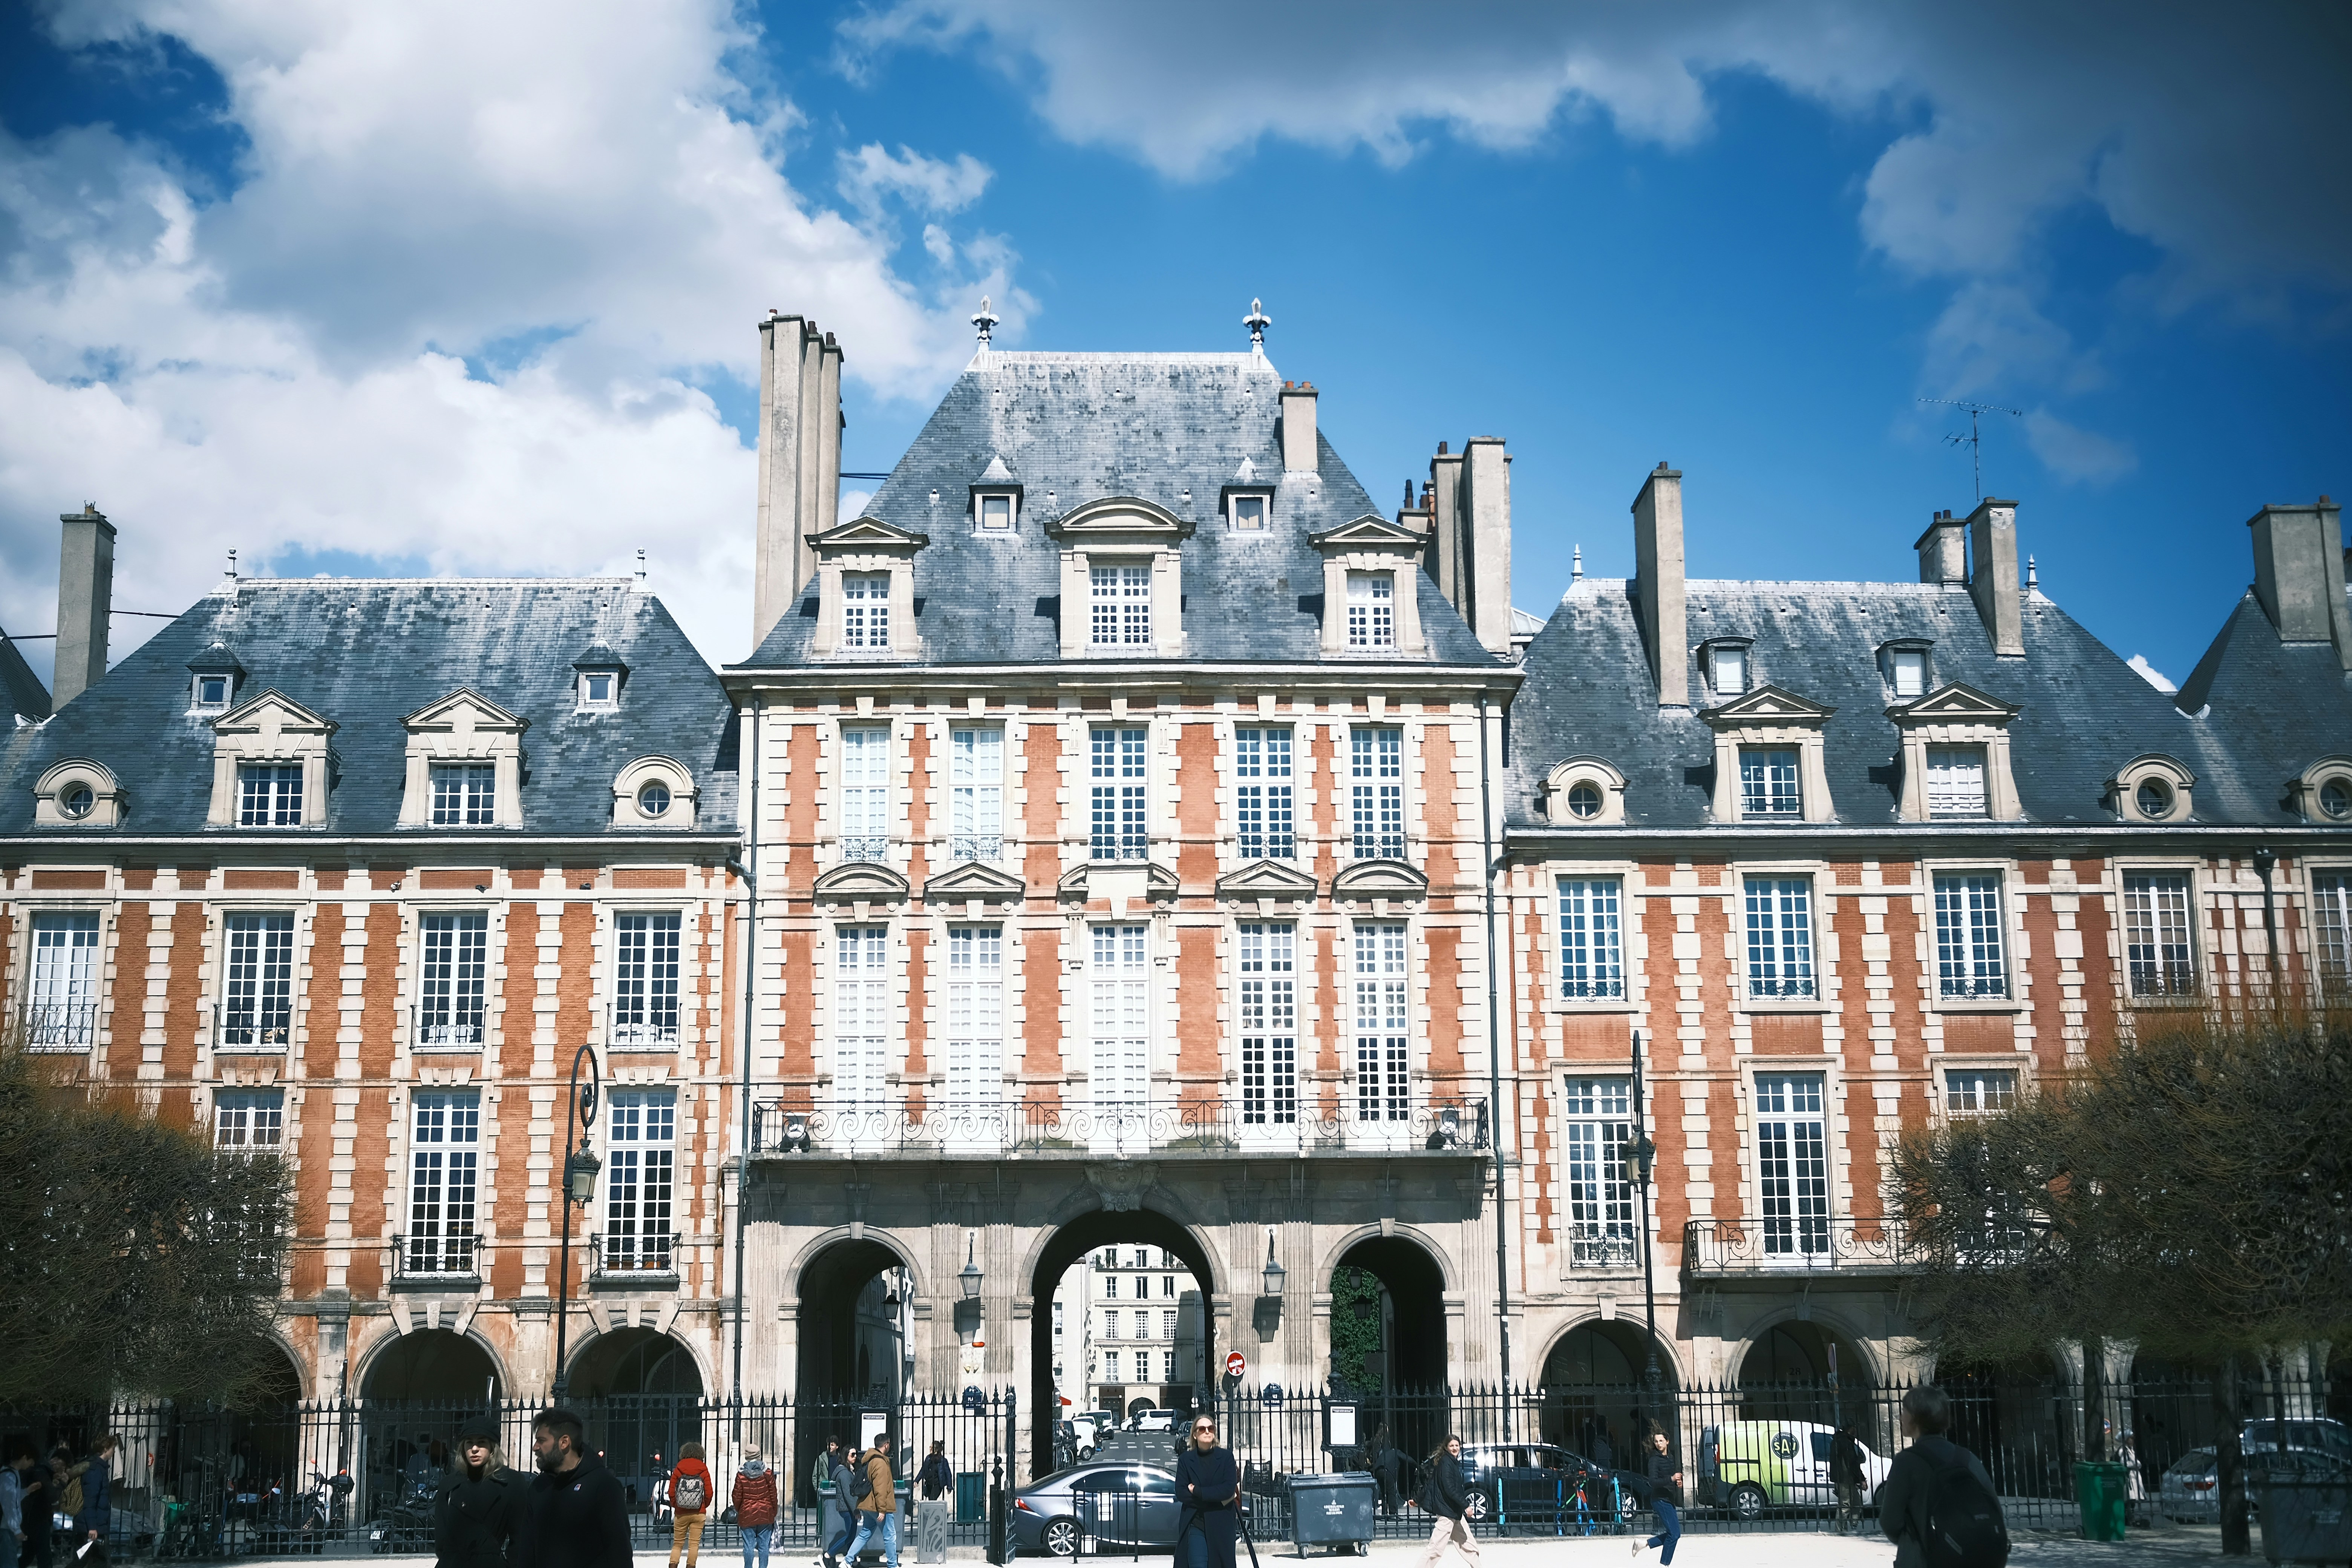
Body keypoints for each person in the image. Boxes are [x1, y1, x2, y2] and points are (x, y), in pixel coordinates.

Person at [1880, 1385, 2006, 1568]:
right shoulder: (1967, 1458)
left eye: (1904, 1411)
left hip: (1928, 1559)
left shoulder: (1906, 1461)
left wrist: (1914, 1541)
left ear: (1916, 1417)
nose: (1900, 1417)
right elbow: (1994, 1507)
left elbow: (1890, 1522)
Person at [516, 1409, 629, 1568]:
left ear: (564, 1442)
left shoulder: (604, 1486)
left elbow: (619, 1551)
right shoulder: (538, 1487)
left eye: (541, 1441)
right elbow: (527, 1549)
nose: (535, 1447)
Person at [435, 1415, 518, 1568]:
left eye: (481, 1443)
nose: (474, 1449)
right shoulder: (449, 1485)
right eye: (469, 1443)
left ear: (493, 1448)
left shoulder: (512, 1483)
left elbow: (520, 1539)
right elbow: (441, 1541)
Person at [1172, 1416, 1238, 1568]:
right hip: (1196, 1524)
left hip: (1221, 1524)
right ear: (1195, 1434)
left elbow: (1228, 1489)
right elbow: (1181, 1492)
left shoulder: (1226, 1457)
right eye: (1202, 1429)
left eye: (1211, 1428)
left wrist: (1198, 1491)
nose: (1207, 1432)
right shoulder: (1186, 1460)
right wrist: (1214, 1498)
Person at [1413, 1435, 1478, 1568]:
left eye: (1457, 1445)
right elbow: (1450, 1489)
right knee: (1435, 1549)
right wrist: (1466, 1505)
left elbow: (1430, 1483)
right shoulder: (1446, 1463)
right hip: (1447, 1513)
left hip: (1455, 1513)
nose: (1455, 1448)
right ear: (1447, 1448)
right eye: (1452, 1446)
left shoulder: (1450, 1462)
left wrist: (1417, 1500)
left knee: (1469, 1545)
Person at [842, 1446, 897, 1568]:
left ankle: (847, 1561)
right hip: (878, 1507)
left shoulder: (870, 1460)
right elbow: (881, 1488)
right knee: (890, 1536)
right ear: (886, 1445)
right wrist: (882, 1510)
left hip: (867, 1505)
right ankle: (893, 1565)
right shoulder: (881, 1463)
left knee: (865, 1534)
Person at [1631, 1431, 1680, 1564]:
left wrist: (1678, 1482)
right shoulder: (1654, 1460)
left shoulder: (1671, 1457)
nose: (1659, 1444)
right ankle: (1665, 1564)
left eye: (1661, 1441)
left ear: (1667, 1441)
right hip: (1660, 1500)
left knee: (1675, 1534)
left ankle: (1643, 1544)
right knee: (1674, 1534)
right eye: (1656, 1442)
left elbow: (1672, 1477)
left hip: (1669, 1499)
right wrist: (1671, 1479)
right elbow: (1653, 1482)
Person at [666, 1442, 714, 1568]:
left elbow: (671, 1492)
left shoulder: (679, 1469)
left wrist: (677, 1505)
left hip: (681, 1513)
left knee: (678, 1544)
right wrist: (703, 1505)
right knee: (694, 1544)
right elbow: (709, 1493)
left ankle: (673, 1566)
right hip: (699, 1512)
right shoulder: (703, 1469)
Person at [732, 1445, 778, 1568]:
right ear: (759, 1456)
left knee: (748, 1546)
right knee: (764, 1546)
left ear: (747, 1457)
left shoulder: (741, 1475)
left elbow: (736, 1496)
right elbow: (773, 1494)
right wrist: (774, 1511)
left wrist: (740, 1510)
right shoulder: (767, 1473)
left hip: (747, 1514)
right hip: (765, 1513)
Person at [74, 1436, 115, 1568]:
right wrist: (92, 1527)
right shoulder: (95, 1470)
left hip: (94, 1525)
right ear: (105, 1449)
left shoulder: (99, 1468)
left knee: (90, 1561)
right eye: (112, 1449)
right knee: (88, 1561)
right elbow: (90, 1500)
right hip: (90, 1526)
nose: (114, 1452)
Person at [820, 1447, 861, 1568]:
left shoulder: (848, 1471)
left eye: (856, 1454)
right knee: (849, 1536)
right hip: (847, 1509)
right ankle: (828, 1555)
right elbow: (849, 1494)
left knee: (851, 1535)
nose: (855, 1457)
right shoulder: (844, 1473)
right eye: (852, 1454)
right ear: (846, 1456)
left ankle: (852, 1560)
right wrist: (856, 1510)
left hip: (847, 1508)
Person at [913, 1442, 952, 1566]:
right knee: (930, 1502)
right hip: (929, 1485)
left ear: (936, 1450)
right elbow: (923, 1471)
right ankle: (934, 1521)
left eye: (931, 1447)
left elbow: (948, 1473)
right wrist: (917, 1480)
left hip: (938, 1485)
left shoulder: (943, 1461)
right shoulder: (928, 1459)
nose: (930, 1449)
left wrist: (949, 1486)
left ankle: (934, 1522)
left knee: (932, 1501)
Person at [1830, 1423, 1867, 1536]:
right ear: (1851, 1429)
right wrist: (1861, 1479)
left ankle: (1851, 1525)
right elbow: (1852, 1463)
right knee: (1845, 1505)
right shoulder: (1846, 1442)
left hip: (1844, 1478)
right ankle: (1840, 1530)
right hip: (1845, 1478)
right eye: (1855, 1428)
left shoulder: (1838, 1440)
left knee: (1856, 1502)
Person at [18, 1443, 51, 1568]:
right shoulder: (40, 1471)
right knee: (43, 1556)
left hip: (28, 1518)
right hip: (37, 1518)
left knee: (27, 1555)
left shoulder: (23, 1474)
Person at [4, 1436, 33, 1568]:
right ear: (25, 1458)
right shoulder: (9, 1476)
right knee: (9, 1563)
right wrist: (16, 1530)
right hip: (5, 1530)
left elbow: (12, 1499)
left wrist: (27, 1491)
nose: (31, 1465)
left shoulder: (12, 1474)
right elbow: (9, 1505)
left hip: (7, 1529)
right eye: (31, 1461)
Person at [810, 1440, 839, 1513]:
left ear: (837, 1447)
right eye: (828, 1445)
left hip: (837, 1489)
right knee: (824, 1513)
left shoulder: (840, 1458)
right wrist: (818, 1490)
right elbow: (815, 1476)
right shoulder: (821, 1458)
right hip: (825, 1490)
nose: (830, 1447)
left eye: (832, 1445)